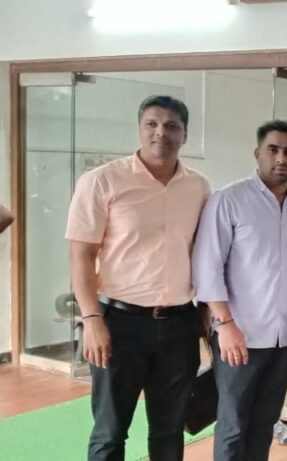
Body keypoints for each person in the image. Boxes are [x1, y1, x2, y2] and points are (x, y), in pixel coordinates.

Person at [66, 95, 210, 461]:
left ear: (185, 135)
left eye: (172, 126)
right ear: (140, 129)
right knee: (110, 430)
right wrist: (92, 320)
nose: (161, 132)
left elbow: (204, 254)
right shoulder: (102, 181)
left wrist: (206, 311)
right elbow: (81, 256)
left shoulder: (198, 187)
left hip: (179, 325)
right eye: (152, 124)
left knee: (169, 429)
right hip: (118, 323)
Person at [192, 120, 287, 461]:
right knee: (233, 424)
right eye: (273, 150)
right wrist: (225, 325)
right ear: (257, 153)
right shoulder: (229, 201)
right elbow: (208, 268)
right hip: (239, 336)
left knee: (265, 422)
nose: (281, 159)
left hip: (283, 339)